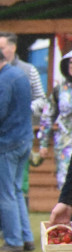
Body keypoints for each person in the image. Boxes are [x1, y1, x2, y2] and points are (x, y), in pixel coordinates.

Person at [0, 44, 35, 252]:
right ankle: (26, 237)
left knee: (6, 194)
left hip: (6, 144)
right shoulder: (19, 74)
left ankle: (13, 241)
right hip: (24, 140)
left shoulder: (3, 80)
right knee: (17, 191)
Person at [38, 52, 72, 190]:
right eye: (70, 62)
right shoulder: (59, 89)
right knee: (66, 184)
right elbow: (47, 116)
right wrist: (43, 143)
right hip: (65, 144)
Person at [0, 32, 45, 118]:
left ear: (13, 48)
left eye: (1, 48)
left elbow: (41, 99)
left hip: (21, 126)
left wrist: (27, 108)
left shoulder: (29, 70)